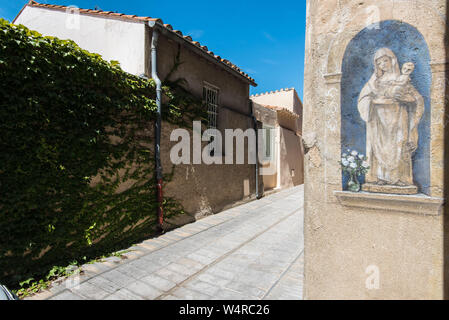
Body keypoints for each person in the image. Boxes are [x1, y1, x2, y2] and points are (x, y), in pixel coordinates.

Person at [357, 48, 424, 187]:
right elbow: (363, 98)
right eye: (379, 63)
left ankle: (400, 178)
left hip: (399, 117)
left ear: (392, 60)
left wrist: (405, 99)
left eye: (385, 61)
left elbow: (416, 99)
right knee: (381, 146)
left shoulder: (402, 79)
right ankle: (382, 177)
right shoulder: (375, 81)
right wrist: (372, 102)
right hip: (379, 120)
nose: (383, 65)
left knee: (399, 144)